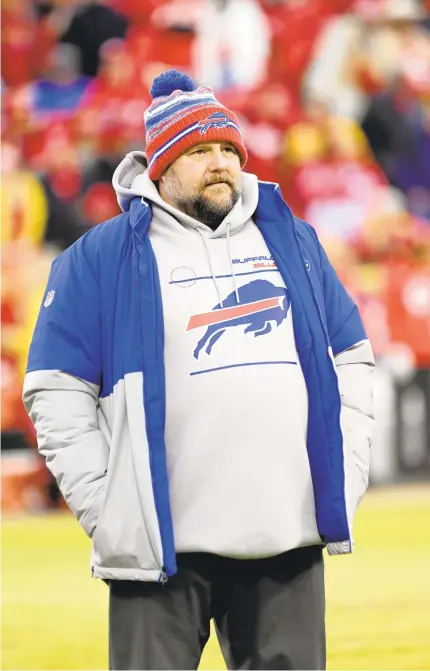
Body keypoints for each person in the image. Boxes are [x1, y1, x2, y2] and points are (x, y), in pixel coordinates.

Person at [23, 69, 375, 671]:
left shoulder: (294, 240)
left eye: (227, 150)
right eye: (198, 151)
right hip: (160, 547)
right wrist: (107, 506)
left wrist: (346, 473)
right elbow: (55, 390)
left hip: (285, 536)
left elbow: (352, 360)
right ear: (159, 165)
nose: (219, 164)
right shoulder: (98, 256)